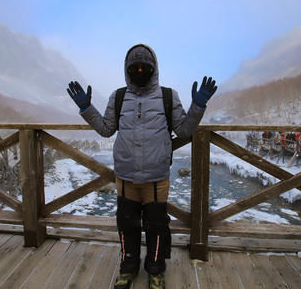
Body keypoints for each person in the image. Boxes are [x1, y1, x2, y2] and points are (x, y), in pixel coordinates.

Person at [67, 44, 217, 289]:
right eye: (134, 67)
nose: (139, 71)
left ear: (154, 68)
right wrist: (86, 108)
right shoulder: (119, 96)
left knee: (157, 226)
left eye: (144, 67)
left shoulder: (169, 96)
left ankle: (156, 271)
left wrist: (198, 106)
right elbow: (106, 129)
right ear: (127, 70)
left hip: (157, 177)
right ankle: (128, 268)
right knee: (126, 225)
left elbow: (184, 130)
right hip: (125, 177)